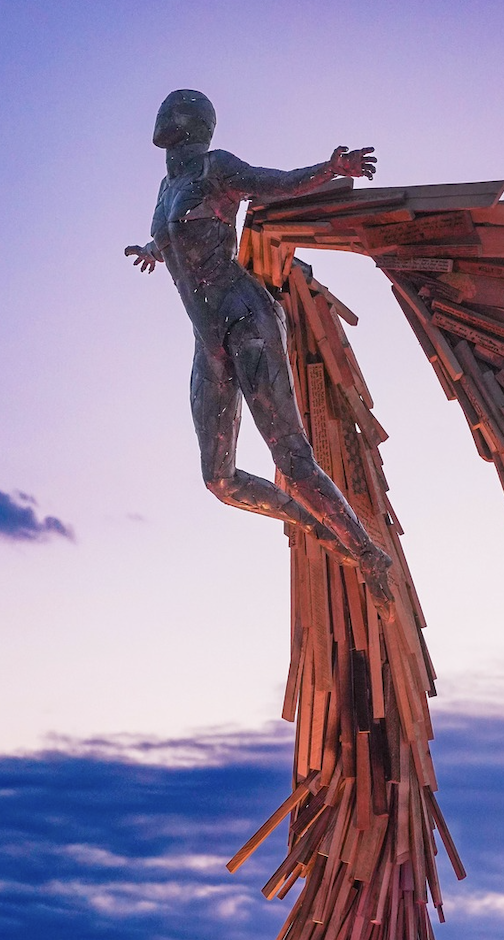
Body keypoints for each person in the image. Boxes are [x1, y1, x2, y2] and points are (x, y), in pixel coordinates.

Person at [126, 89, 393, 614]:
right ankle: (319, 524)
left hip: (245, 318)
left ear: (191, 123)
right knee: (219, 480)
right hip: (208, 339)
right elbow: (177, 236)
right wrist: (153, 251)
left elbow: (276, 184)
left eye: (173, 110)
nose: (161, 117)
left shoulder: (216, 168)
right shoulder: (165, 186)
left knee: (292, 459)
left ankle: (367, 554)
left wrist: (332, 168)